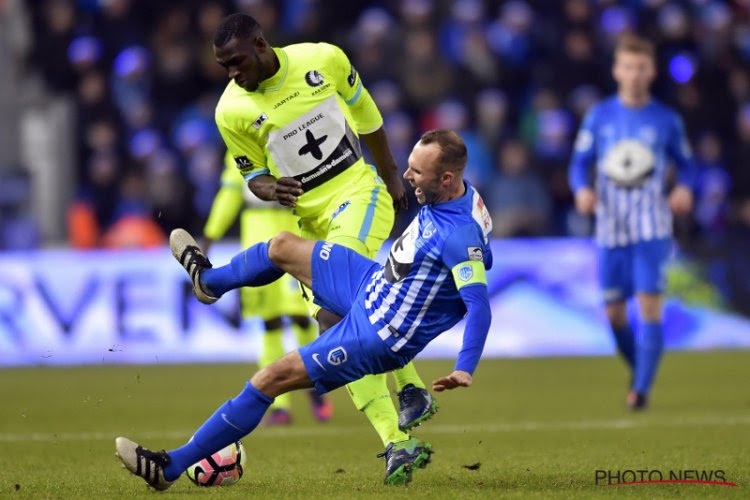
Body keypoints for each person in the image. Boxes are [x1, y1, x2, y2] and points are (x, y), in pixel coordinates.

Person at [115, 129, 493, 488]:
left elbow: (478, 305)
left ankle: (170, 467)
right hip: (372, 284)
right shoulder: (461, 197)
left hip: (376, 332)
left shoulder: (459, 236)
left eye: (418, 172)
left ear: (446, 179)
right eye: (409, 164)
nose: (406, 175)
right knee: (281, 246)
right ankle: (208, 284)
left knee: (270, 379)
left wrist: (464, 367)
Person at [199, 12, 436, 476]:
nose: (232, 73)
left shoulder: (322, 59)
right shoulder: (231, 111)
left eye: (237, 61)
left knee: (335, 313)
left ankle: (408, 396)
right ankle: (399, 434)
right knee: (335, 332)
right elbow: (251, 176)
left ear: (261, 46)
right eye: (223, 65)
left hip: (357, 195)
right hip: (310, 222)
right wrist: (273, 189)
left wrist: (390, 175)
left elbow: (366, 114)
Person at [568, 33, 695, 410]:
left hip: (652, 226)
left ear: (652, 71)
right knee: (614, 313)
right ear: (616, 70)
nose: (635, 74)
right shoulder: (600, 116)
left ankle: (639, 390)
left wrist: (684, 189)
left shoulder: (666, 119)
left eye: (641, 67)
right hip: (610, 227)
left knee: (649, 305)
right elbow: (579, 164)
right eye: (628, 67)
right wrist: (581, 191)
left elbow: (688, 165)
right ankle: (641, 370)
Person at [202, 151, 331, 425]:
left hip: (295, 227)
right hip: (257, 235)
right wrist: (211, 235)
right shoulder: (239, 147)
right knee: (270, 321)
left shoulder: (289, 135)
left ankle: (315, 383)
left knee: (301, 314)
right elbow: (230, 192)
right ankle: (279, 405)